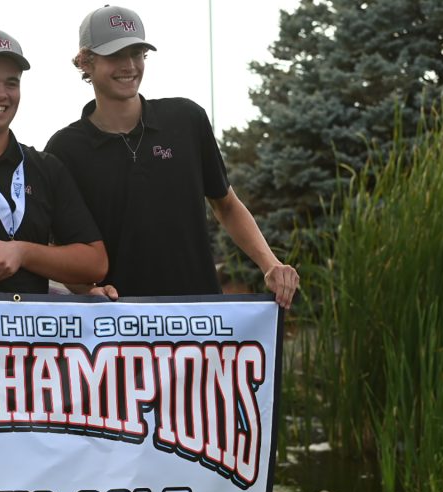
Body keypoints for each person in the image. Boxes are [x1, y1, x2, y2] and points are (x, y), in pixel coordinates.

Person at [45, 5, 299, 308]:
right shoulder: (64, 149)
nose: (129, 65)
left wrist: (270, 264)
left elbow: (227, 206)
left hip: (200, 317)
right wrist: (83, 289)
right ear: (86, 61)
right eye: (115, 55)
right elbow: (57, 245)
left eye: (137, 53)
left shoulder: (186, 120)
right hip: (115, 329)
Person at [0, 28, 107, 294]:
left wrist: (22, 252)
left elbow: (95, 262)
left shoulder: (44, 167)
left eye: (12, 83)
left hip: (27, 333)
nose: (1, 93)